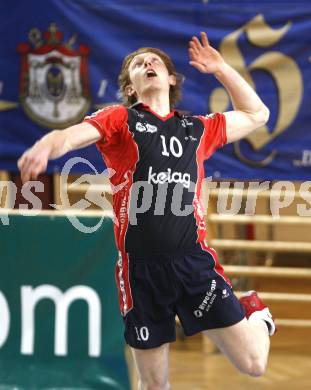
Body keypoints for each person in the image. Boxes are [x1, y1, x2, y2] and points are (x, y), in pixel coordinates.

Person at [18, 32, 275, 389]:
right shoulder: (120, 120)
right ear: (130, 87)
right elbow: (68, 135)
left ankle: (257, 314)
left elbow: (257, 114)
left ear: (172, 78)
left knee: (254, 364)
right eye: (139, 64)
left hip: (193, 264)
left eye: (156, 61)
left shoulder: (196, 129)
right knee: (154, 384)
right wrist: (46, 147)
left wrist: (221, 69)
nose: (148, 64)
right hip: (140, 273)